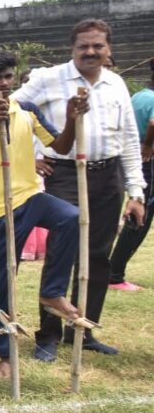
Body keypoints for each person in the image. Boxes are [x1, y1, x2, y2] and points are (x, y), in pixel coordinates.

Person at [13, 19, 145, 359]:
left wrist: (136, 191)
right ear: (71, 49)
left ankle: (82, 330)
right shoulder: (49, 79)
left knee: (98, 255)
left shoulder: (115, 84)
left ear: (108, 49)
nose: (90, 51)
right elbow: (12, 113)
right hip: (66, 174)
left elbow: (130, 138)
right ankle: (49, 334)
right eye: (83, 46)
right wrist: (32, 155)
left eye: (97, 46)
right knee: (61, 251)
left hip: (108, 175)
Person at [0, 51, 89, 379]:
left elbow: (60, 146)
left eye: (8, 77)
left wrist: (71, 119)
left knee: (70, 216)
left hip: (30, 197)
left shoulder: (27, 110)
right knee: (2, 282)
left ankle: (52, 292)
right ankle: (5, 354)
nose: (3, 84)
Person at [107, 57, 154, 290]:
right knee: (140, 217)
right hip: (147, 161)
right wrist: (148, 145)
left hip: (132, 159)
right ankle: (115, 274)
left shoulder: (139, 96)